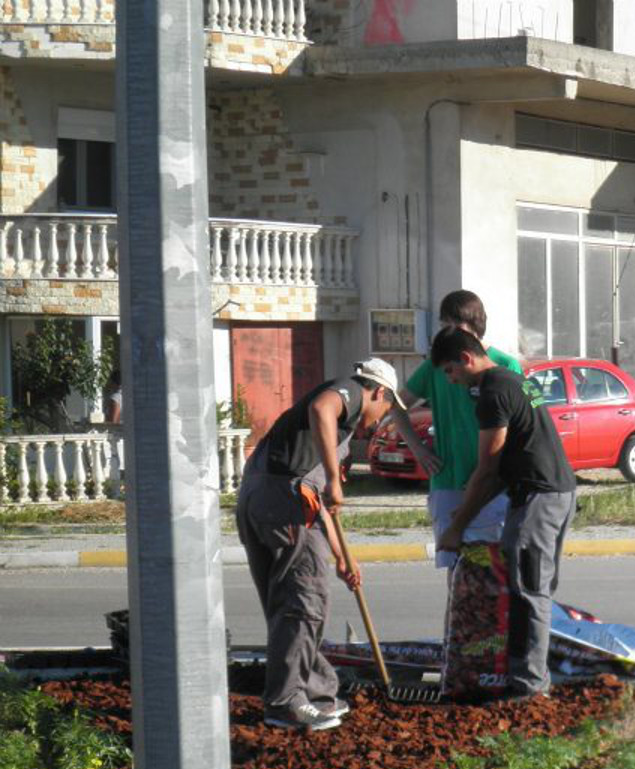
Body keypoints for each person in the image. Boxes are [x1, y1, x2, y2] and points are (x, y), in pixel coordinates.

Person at [235, 359, 402, 731]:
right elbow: (321, 408)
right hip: (282, 500)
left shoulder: (328, 437)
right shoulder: (351, 394)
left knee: (289, 606)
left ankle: (317, 693)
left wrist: (344, 558)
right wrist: (334, 478)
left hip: (263, 497)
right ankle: (286, 704)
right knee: (303, 603)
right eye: (385, 411)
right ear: (379, 392)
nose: (377, 423)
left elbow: (319, 503)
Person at [431, 326, 577, 700]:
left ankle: (529, 688)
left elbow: (489, 466)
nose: (452, 380)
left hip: (538, 499)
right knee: (534, 587)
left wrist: (456, 526)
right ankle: (529, 676)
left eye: (450, 371)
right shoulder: (511, 378)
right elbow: (503, 465)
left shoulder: (493, 394)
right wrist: (470, 502)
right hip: (553, 493)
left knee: (529, 590)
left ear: (465, 359)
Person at [383, 290, 524, 571]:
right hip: (448, 479)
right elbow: (395, 405)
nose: (447, 331)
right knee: (455, 566)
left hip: (492, 484)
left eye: (453, 325)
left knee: (494, 567)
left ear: (474, 326)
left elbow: (537, 403)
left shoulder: (506, 364)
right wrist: (418, 449)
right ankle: (460, 616)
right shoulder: (436, 366)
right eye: (443, 324)